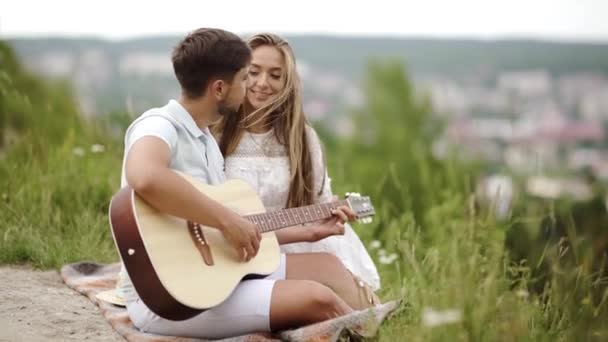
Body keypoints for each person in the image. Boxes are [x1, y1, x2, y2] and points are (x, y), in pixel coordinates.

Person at [116, 28, 378, 340]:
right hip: (167, 299)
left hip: (210, 275)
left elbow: (221, 231)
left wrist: (307, 231)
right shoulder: (160, 125)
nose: (252, 86)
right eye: (245, 77)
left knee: (328, 268)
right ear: (218, 88)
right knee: (316, 298)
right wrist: (226, 219)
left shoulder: (206, 144)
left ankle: (382, 325)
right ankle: (376, 334)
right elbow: (145, 176)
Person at [213, 33, 380, 292]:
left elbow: (319, 201)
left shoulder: (302, 138)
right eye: (254, 72)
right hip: (230, 246)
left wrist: (331, 211)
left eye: (275, 75)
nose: (262, 83)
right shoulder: (214, 134)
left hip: (294, 244)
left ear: (287, 82)